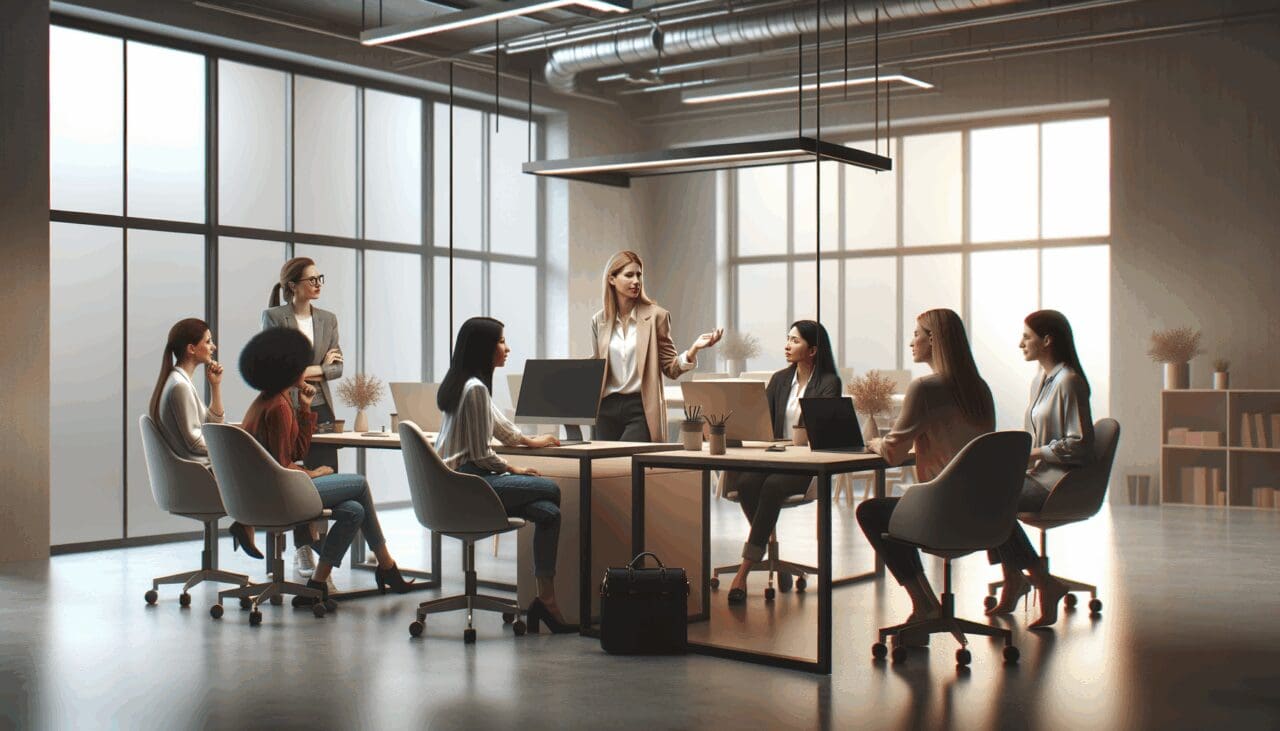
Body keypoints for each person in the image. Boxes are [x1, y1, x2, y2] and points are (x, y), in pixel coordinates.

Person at [238, 327, 412, 607]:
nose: (307, 370)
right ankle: (387, 566)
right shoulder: (279, 408)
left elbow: (294, 451)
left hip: (265, 493)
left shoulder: (268, 402)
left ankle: (317, 583)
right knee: (360, 483)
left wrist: (305, 408)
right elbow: (283, 466)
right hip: (280, 494)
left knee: (354, 511)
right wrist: (314, 473)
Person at [855, 308, 996, 625]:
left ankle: (924, 603)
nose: (911, 342)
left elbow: (892, 453)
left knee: (871, 512)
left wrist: (875, 442)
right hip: (984, 513)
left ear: (933, 340)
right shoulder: (979, 389)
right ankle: (928, 605)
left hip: (944, 515)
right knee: (892, 508)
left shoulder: (927, 388)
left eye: (917, 333)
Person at [434, 317, 573, 633]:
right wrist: (514, 468)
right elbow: (482, 455)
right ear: (483, 348)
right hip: (468, 484)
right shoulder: (475, 390)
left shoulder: (465, 384)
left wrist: (528, 441)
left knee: (548, 513)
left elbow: (500, 426)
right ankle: (546, 600)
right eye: (500, 342)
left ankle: (545, 601)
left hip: (453, 485)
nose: (507, 348)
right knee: (549, 489)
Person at [985, 310, 1095, 628]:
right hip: (1036, 474)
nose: (1020, 343)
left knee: (993, 501)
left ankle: (1037, 579)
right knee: (985, 492)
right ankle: (1018, 578)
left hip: (1058, 481)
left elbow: (1080, 444)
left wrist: (1036, 453)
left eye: (1027, 337)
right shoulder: (1041, 380)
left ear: (1047, 340)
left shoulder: (1070, 382)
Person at [722, 321, 842, 604]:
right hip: (775, 457)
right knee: (747, 482)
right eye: (787, 339)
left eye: (795, 341)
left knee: (773, 487)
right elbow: (762, 423)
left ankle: (744, 569)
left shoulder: (828, 383)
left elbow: (824, 430)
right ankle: (765, 546)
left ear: (812, 350)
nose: (787, 346)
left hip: (806, 465)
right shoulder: (779, 379)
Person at [149, 318, 262, 559]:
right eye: (208, 342)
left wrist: (216, 387)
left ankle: (244, 522)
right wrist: (228, 452)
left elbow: (211, 427)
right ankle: (247, 522)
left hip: (196, 470)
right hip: (196, 475)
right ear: (191, 348)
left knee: (253, 466)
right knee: (260, 471)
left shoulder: (182, 382)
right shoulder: (179, 386)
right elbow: (193, 441)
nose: (214, 347)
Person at [262, 256, 344, 577]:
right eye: (311, 279)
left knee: (326, 480)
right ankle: (301, 549)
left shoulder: (328, 319)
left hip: (320, 406)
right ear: (292, 285)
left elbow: (338, 368)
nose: (318, 284)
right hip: (286, 407)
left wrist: (314, 370)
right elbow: (276, 366)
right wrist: (318, 368)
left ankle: (322, 557)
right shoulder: (274, 317)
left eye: (320, 278)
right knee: (295, 478)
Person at [590, 250, 723, 442]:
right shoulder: (599, 321)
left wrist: (694, 349)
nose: (636, 281)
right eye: (629, 275)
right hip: (605, 409)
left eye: (639, 274)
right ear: (611, 279)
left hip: (641, 407)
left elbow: (671, 369)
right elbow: (597, 366)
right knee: (606, 469)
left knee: (628, 461)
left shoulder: (657, 317)